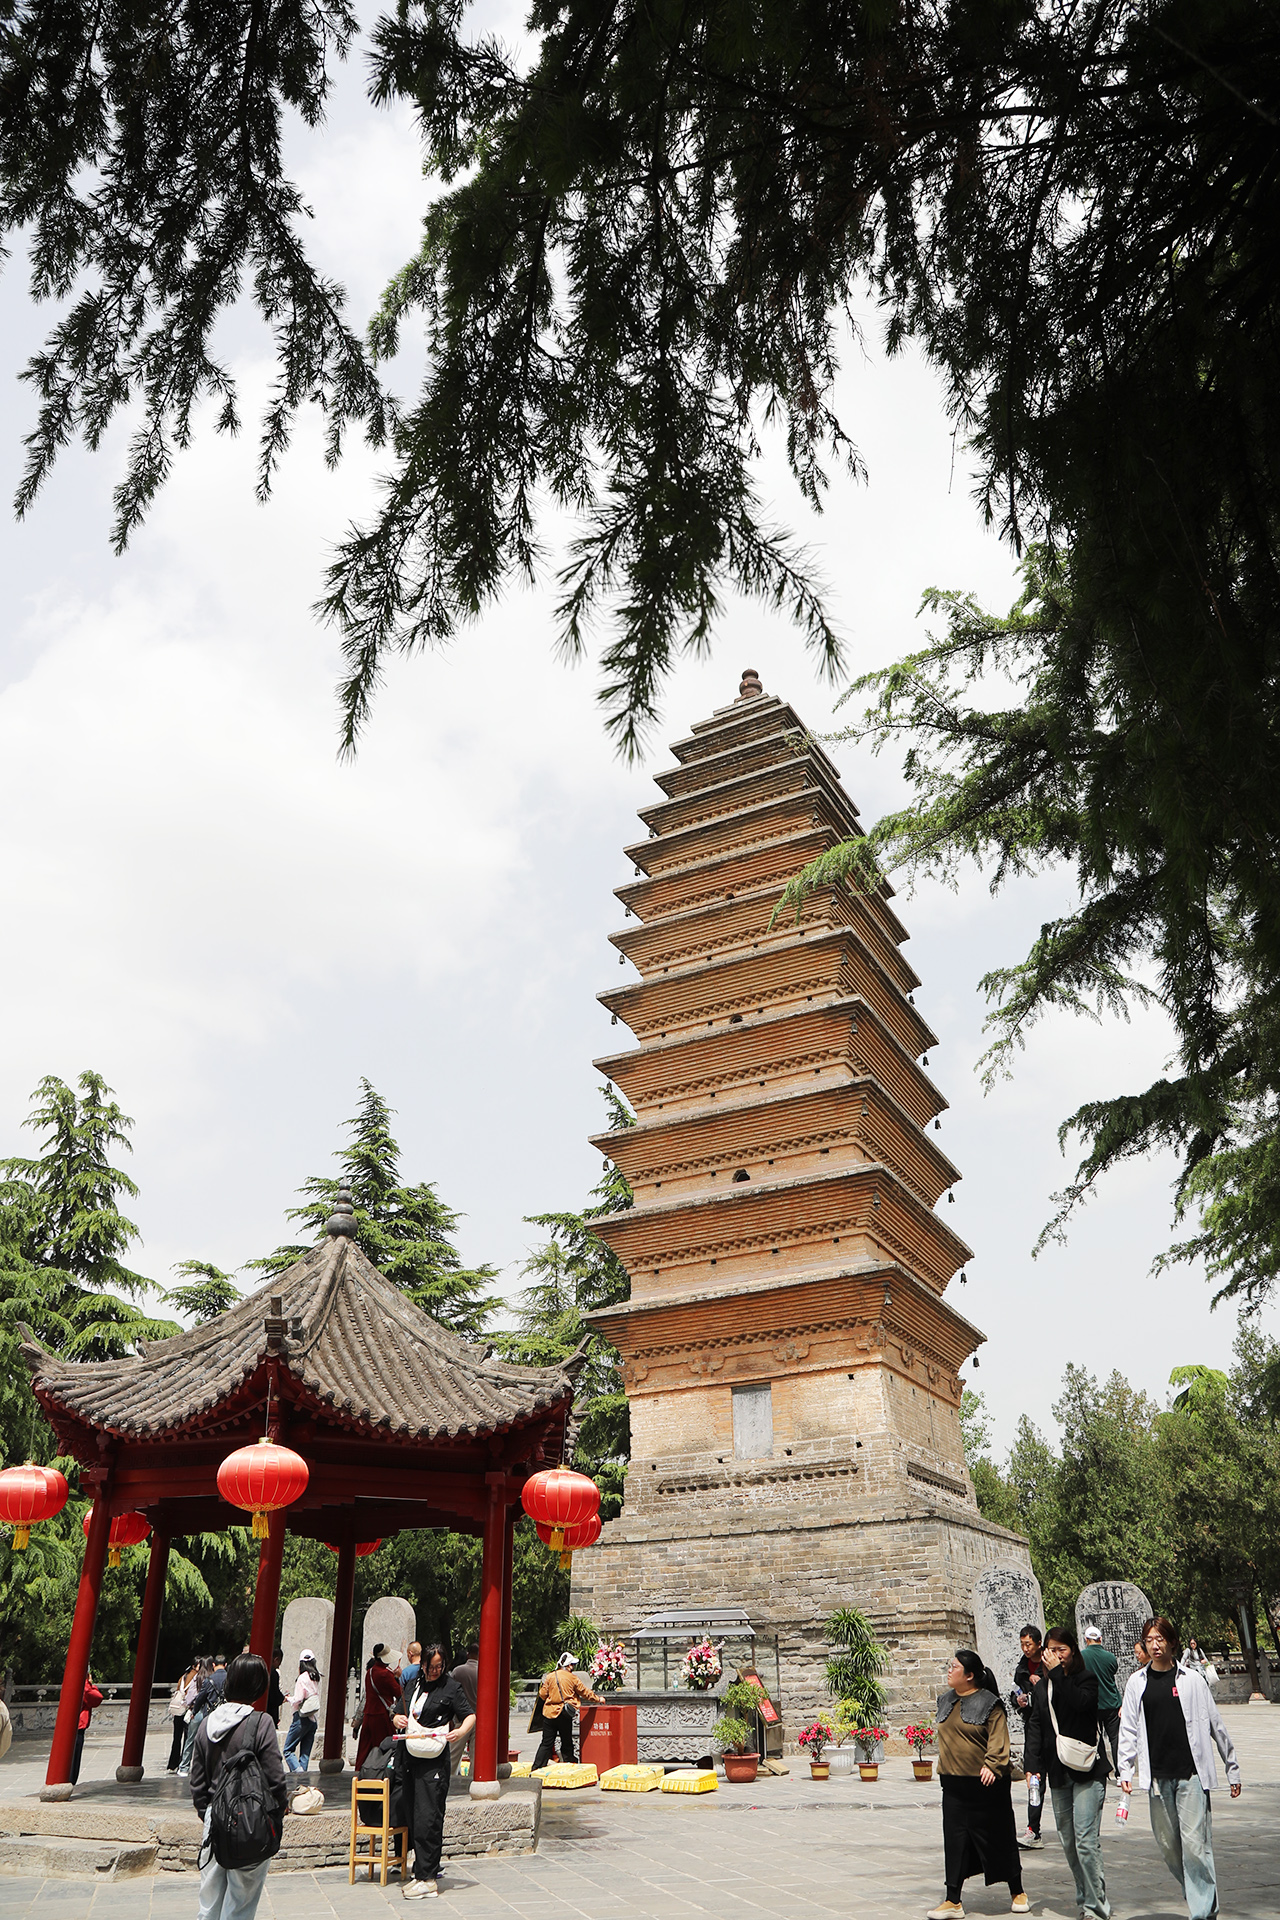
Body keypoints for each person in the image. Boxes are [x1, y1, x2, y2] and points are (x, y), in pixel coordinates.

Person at [1118, 1616, 1241, 1920]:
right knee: (1169, 1848)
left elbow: (1216, 1725)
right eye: (1149, 1640)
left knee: (1196, 1846)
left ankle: (1200, 1913)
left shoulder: (1192, 1680)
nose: (1155, 1645)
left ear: (1173, 1642)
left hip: (1191, 1776)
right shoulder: (1137, 1682)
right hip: (1157, 1779)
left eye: (1161, 1639)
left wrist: (1232, 1767)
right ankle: (1205, 1900)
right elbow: (1129, 1730)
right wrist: (1125, 1770)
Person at [928, 1649, 1027, 1919]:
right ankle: (953, 1900)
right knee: (955, 1842)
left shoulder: (990, 1703)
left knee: (999, 1838)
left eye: (954, 1667)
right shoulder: (945, 1700)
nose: (949, 1670)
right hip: (953, 1785)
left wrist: (993, 1764)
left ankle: (1017, 1891)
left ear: (970, 1675)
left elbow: (998, 1739)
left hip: (985, 1787)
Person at [190, 1652, 287, 1920]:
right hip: (249, 1819)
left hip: (214, 1818)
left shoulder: (207, 1724)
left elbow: (197, 1781)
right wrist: (277, 1811)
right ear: (259, 1686)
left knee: (209, 1902)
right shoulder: (261, 1722)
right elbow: (275, 1776)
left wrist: (208, 1812)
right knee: (241, 1902)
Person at [1025, 1626, 1111, 1920]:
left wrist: (1058, 1675)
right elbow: (1035, 1727)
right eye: (1051, 1649)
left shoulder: (1086, 1679)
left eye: (1062, 1649)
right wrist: (1032, 1768)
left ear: (1073, 1650)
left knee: (1086, 1840)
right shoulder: (1041, 1688)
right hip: (1058, 1772)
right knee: (1068, 1840)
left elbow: (1082, 1704)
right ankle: (1085, 1897)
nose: (1056, 1655)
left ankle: (1095, 1908)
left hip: (1088, 1769)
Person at [392, 1642, 475, 1898]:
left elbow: (470, 1715)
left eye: (439, 1666)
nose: (435, 1671)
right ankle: (421, 1871)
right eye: (430, 1666)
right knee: (412, 1814)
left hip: (434, 1761)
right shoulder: (412, 1684)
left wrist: (459, 1732)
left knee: (429, 1816)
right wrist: (396, 1718)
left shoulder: (451, 1687)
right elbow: (397, 1710)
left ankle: (428, 1877)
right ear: (423, 1664)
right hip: (410, 1759)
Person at [531, 1653, 603, 1771]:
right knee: (567, 1742)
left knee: (546, 1743)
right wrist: (598, 1699)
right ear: (569, 1666)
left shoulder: (550, 1676)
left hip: (549, 1714)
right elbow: (585, 1692)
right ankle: (569, 1766)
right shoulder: (572, 1678)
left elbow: (542, 1694)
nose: (573, 1667)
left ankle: (536, 1767)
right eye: (573, 1664)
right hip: (564, 1714)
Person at [1008, 1625, 1044, 1848]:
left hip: (1053, 1729)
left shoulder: (1050, 1665)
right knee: (1034, 1779)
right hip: (1031, 1726)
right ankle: (1033, 1830)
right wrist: (1018, 1701)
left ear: (1039, 1644)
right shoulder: (1021, 1668)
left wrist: (1042, 1685)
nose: (1025, 1648)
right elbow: (1014, 1692)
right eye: (1022, 1644)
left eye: (1028, 1644)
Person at [1082, 1624, 1123, 1771]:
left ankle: (1104, 1767)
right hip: (1111, 1702)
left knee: (1096, 1738)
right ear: (1100, 1639)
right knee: (1115, 1738)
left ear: (1086, 1640)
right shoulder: (1110, 1657)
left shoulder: (1081, 1657)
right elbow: (1113, 1670)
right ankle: (1120, 1772)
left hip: (1093, 1704)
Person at [357, 1643, 403, 1768]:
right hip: (381, 1716)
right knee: (385, 1747)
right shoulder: (385, 1674)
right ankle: (380, 1771)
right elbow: (398, 1693)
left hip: (368, 1715)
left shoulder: (370, 1672)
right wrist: (398, 1677)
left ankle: (360, 1772)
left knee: (365, 1748)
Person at [181, 1656, 227, 1775]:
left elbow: (200, 1697)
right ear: (226, 1664)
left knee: (193, 1740)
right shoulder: (230, 1679)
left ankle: (185, 1768)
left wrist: (194, 1711)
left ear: (214, 1664)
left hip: (209, 1714)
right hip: (225, 1714)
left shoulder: (208, 1680)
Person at [282, 1650, 321, 1772]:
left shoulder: (302, 1678)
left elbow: (298, 1699)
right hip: (312, 1720)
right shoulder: (315, 1677)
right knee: (305, 1755)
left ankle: (299, 1774)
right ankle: (302, 1781)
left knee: (288, 1750)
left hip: (300, 1718)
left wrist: (288, 1699)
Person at [70, 1668, 104, 1784]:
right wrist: (91, 1684)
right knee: (74, 1757)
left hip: (75, 1725)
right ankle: (70, 1780)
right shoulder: (83, 1684)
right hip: (78, 1725)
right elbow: (96, 1698)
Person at [451, 1642, 480, 1771]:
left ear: (468, 1654)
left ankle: (448, 1777)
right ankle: (474, 1778)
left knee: (454, 1753)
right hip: (479, 1717)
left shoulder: (458, 1671)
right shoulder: (485, 1671)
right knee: (476, 1755)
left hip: (461, 1717)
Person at [167, 1661, 200, 1772]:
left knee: (176, 1738)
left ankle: (172, 1763)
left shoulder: (183, 1676)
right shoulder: (196, 1677)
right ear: (195, 1666)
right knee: (187, 1738)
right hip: (187, 1710)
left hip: (178, 1710)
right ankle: (183, 1762)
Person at [267, 1646, 285, 1728]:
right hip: (270, 1714)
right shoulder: (273, 1673)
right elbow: (274, 1696)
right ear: (276, 1659)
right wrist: (282, 1698)